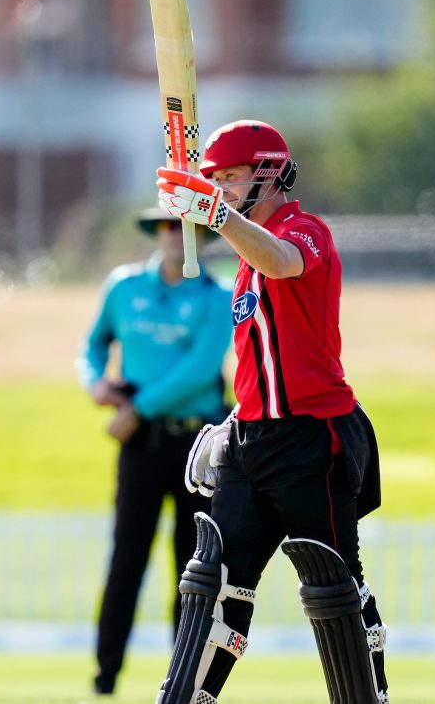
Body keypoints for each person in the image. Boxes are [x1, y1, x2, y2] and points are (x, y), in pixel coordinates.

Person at [153, 120, 389, 703]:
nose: (222, 188)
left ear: (267, 172)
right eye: (215, 181)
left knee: (333, 588)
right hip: (252, 439)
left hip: (314, 437)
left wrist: (217, 215)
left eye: (230, 178)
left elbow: (283, 262)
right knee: (213, 583)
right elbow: (265, 360)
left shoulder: (303, 231)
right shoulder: (241, 256)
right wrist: (237, 418)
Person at [76, 207, 233, 697]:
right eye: (168, 226)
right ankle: (106, 678)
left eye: (186, 228)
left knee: (192, 567)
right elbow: (93, 344)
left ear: (203, 238)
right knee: (126, 560)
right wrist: (96, 382)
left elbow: (199, 370)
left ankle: (182, 681)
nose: (175, 236)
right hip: (142, 445)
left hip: (196, 445)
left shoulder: (218, 295)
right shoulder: (123, 287)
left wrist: (136, 408)